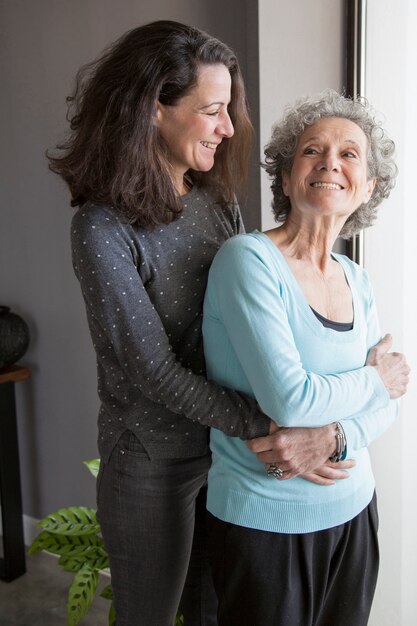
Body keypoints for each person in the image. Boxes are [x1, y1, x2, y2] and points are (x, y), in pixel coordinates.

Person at [48, 21, 406, 625]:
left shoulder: (214, 200)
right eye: (212, 110)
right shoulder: (102, 229)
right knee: (152, 616)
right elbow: (155, 371)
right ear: (153, 110)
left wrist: (311, 424)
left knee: (216, 613)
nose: (230, 127)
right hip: (154, 459)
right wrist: (277, 424)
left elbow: (247, 327)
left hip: (228, 450)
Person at [202, 89, 410, 626]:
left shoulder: (356, 279)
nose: (329, 163)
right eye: (312, 150)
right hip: (264, 521)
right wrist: (372, 380)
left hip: (355, 511)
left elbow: (390, 404)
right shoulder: (248, 260)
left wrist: (336, 436)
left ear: (367, 187)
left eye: (349, 155)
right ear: (288, 176)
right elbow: (291, 400)